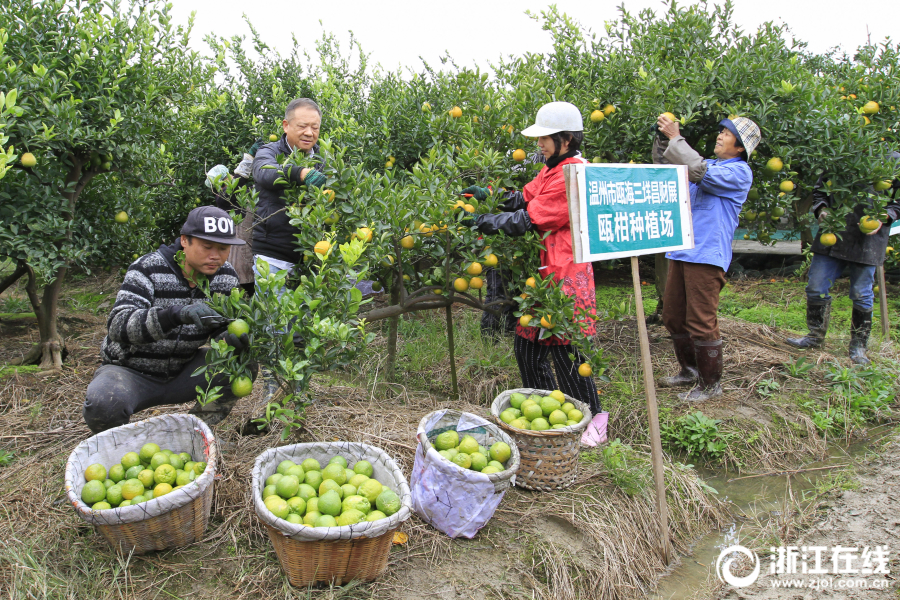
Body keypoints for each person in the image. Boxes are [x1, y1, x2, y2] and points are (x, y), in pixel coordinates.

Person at [462, 101, 605, 445]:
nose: (538, 145)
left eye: (545, 139)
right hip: (541, 277)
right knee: (527, 348)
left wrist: (480, 220)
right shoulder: (551, 169)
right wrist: (490, 195)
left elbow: (527, 219)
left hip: (563, 275)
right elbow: (522, 199)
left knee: (567, 351)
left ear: (566, 139)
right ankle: (548, 414)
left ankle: (594, 420)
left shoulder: (573, 174)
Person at [83, 206, 256, 433]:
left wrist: (233, 338)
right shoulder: (148, 269)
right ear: (185, 241)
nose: (216, 256)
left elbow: (221, 325)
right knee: (103, 404)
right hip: (130, 372)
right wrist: (173, 316)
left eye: (223, 249)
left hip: (183, 370)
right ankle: (119, 445)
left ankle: (194, 433)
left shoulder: (224, 278)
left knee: (242, 365)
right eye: (207, 247)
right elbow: (118, 325)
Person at [653, 114, 761, 402]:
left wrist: (677, 138)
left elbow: (696, 171)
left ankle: (711, 384)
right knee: (673, 316)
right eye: (722, 130)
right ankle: (689, 371)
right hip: (683, 249)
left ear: (740, 148)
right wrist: (663, 139)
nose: (720, 135)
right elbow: (670, 169)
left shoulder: (739, 172)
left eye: (727, 133)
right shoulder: (708, 164)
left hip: (707, 254)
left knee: (701, 320)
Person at [786, 154, 900, 364]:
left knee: (861, 292)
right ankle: (815, 336)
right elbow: (820, 190)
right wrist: (821, 209)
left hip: (868, 240)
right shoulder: (844, 155)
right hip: (833, 233)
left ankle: (858, 346)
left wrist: (886, 216)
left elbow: (898, 202)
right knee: (816, 287)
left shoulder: (893, 160)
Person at [251, 98, 328, 283]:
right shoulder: (268, 152)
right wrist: (299, 173)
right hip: (273, 256)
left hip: (311, 256)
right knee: (276, 311)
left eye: (315, 127)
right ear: (286, 125)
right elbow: (264, 173)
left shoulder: (323, 160)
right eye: (303, 126)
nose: (309, 133)